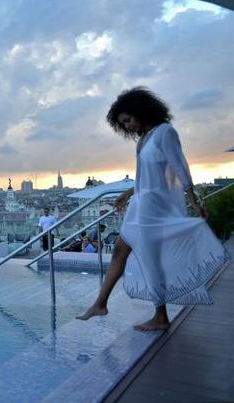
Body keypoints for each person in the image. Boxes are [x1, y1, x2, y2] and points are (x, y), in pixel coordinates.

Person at [77, 87, 229, 331]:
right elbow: (144, 178)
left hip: (154, 207)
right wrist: (128, 194)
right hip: (142, 204)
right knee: (130, 253)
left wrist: (195, 200)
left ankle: (119, 307)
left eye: (128, 120)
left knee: (140, 256)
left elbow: (180, 167)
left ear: (141, 111)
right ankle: (111, 305)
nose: (127, 127)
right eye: (122, 124)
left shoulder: (165, 132)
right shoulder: (145, 139)